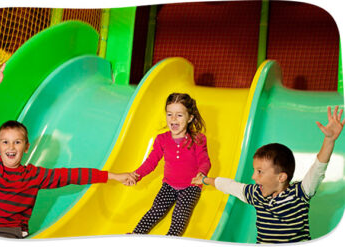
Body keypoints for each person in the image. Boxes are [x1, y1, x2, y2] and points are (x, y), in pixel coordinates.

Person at [0, 61, 136, 238]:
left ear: (27, 147)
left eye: (17, 142)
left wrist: (113, 176)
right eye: (5, 142)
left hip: (10, 233)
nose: (11, 147)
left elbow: (74, 176)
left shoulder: (33, 176)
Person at [192, 105, 344, 244]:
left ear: (281, 177)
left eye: (259, 172)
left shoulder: (300, 193)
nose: (253, 177)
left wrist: (329, 140)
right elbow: (230, 186)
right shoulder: (257, 194)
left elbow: (317, 169)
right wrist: (205, 179)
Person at [127, 92, 211, 236]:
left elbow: (205, 160)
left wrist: (201, 173)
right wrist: (136, 174)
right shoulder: (162, 139)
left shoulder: (198, 139)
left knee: (179, 215)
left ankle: (170, 241)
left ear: (190, 118)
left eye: (179, 115)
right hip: (169, 185)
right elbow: (151, 161)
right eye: (169, 114)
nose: (173, 119)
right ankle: (136, 236)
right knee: (156, 210)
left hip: (191, 186)